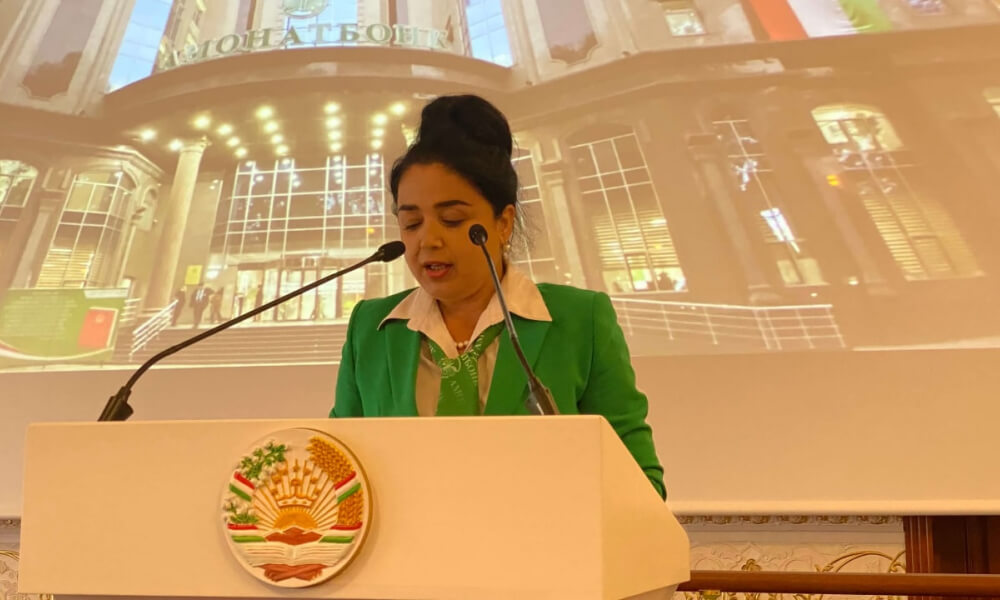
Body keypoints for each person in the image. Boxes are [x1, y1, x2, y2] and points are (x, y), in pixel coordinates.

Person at [330, 95, 665, 499]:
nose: (428, 241)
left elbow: (640, 484)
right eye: (411, 223)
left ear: (503, 223)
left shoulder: (581, 320)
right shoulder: (370, 328)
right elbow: (338, 475)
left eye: (452, 220)